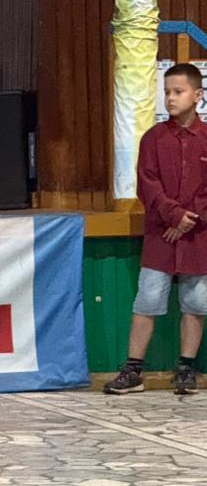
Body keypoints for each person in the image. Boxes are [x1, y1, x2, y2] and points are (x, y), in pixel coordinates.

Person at [105, 63, 207, 396]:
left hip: (198, 236)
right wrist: (174, 216)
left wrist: (190, 220)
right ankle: (133, 370)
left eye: (178, 91)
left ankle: (186, 369)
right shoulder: (153, 138)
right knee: (147, 300)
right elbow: (147, 184)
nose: (171, 98)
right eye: (167, 92)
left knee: (195, 302)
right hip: (161, 235)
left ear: (198, 95)